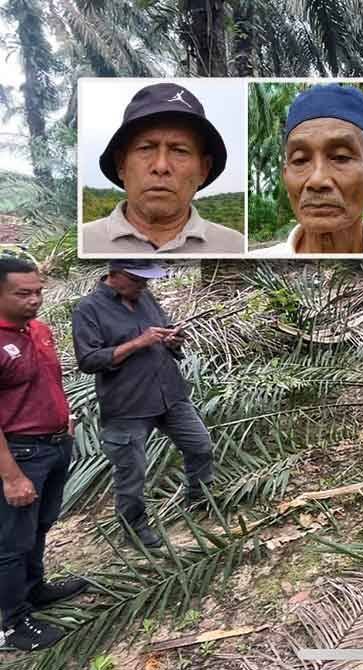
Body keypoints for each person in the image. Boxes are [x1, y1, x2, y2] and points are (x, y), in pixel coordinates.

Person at [71, 260, 214, 549]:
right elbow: (88, 360)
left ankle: (199, 500)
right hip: (128, 404)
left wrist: (173, 339)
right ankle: (134, 530)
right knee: (131, 472)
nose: (144, 285)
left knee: (201, 446)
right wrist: (138, 342)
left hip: (170, 395)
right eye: (137, 279)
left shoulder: (144, 296)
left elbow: (162, 332)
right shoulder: (88, 309)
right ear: (115, 275)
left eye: (146, 280)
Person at [0, 250, 87, 651]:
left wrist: (62, 417)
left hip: (54, 444)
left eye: (38, 291)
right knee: (11, 541)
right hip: (19, 453)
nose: (35, 300)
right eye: (23, 294)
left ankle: (34, 591)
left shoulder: (38, 330)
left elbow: (48, 382)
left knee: (40, 526)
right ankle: (11, 624)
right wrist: (11, 475)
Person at [80, 83, 244, 254]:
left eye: (179, 150)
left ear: (204, 169)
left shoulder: (235, 247)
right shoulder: (84, 241)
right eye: (145, 148)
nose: (161, 166)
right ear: (121, 164)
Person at [249, 84, 363, 258]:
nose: (317, 180)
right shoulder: (256, 264)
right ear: (285, 176)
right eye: (300, 160)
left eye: (341, 157)